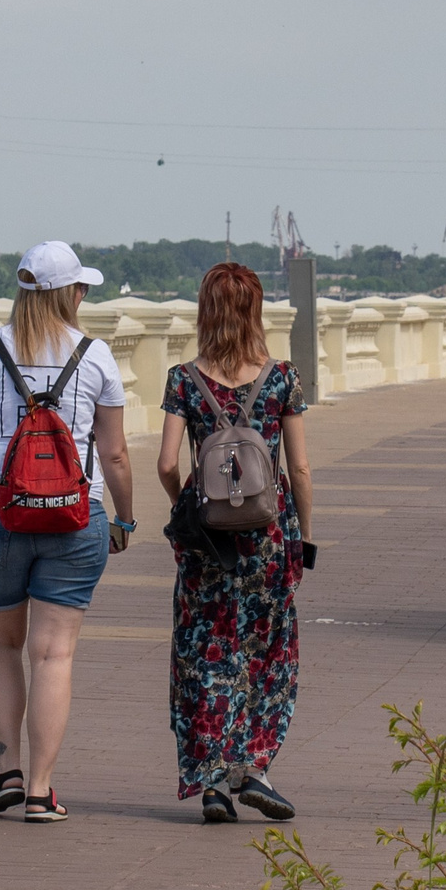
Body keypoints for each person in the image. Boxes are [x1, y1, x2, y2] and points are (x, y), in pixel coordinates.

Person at [0, 242, 137, 821]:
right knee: (53, 655)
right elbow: (113, 455)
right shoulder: (96, 357)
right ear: (73, 293)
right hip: (75, 515)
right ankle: (41, 790)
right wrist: (125, 517)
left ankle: (7, 769)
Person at [157, 261, 317, 824]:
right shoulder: (282, 378)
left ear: (206, 311)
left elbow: (166, 463)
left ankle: (211, 782)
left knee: (205, 653)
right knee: (267, 653)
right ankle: (253, 767)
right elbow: (297, 469)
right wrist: (303, 537)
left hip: (207, 548)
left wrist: (191, 509)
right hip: (269, 541)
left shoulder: (183, 379)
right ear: (255, 311)